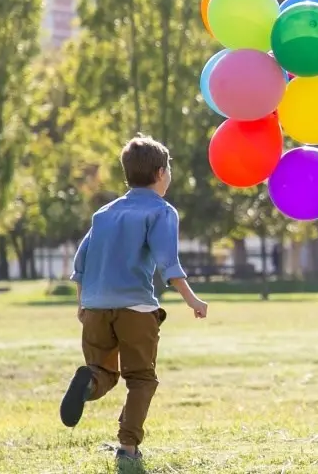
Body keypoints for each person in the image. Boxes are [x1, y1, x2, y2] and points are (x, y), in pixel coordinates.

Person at [59, 135, 210, 467]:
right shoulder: (161, 211)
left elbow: (80, 264)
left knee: (103, 372)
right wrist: (193, 300)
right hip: (136, 308)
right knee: (141, 378)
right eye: (169, 169)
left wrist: (82, 305)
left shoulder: (104, 213)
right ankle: (127, 448)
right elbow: (168, 263)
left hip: (96, 308)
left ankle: (89, 382)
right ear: (160, 173)